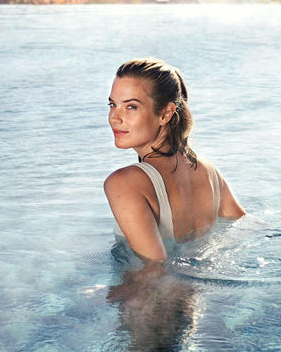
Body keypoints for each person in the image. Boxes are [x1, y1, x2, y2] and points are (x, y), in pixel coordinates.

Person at [104, 58, 245, 262]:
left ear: (166, 114)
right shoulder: (207, 170)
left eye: (131, 107)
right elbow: (243, 226)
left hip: (158, 294)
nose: (114, 118)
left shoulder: (124, 183)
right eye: (112, 105)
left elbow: (153, 271)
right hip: (205, 292)